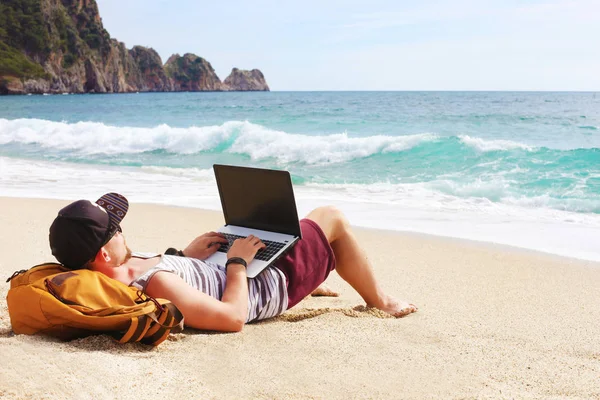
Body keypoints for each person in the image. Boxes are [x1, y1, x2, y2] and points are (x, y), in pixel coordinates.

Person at [49, 193, 417, 332]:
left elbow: (178, 276)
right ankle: (379, 301)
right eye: (116, 231)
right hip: (260, 289)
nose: (122, 232)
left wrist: (184, 256)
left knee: (268, 224)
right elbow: (231, 318)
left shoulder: (121, 269)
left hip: (222, 270)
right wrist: (239, 263)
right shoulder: (156, 285)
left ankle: (310, 270)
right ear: (103, 255)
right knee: (331, 216)